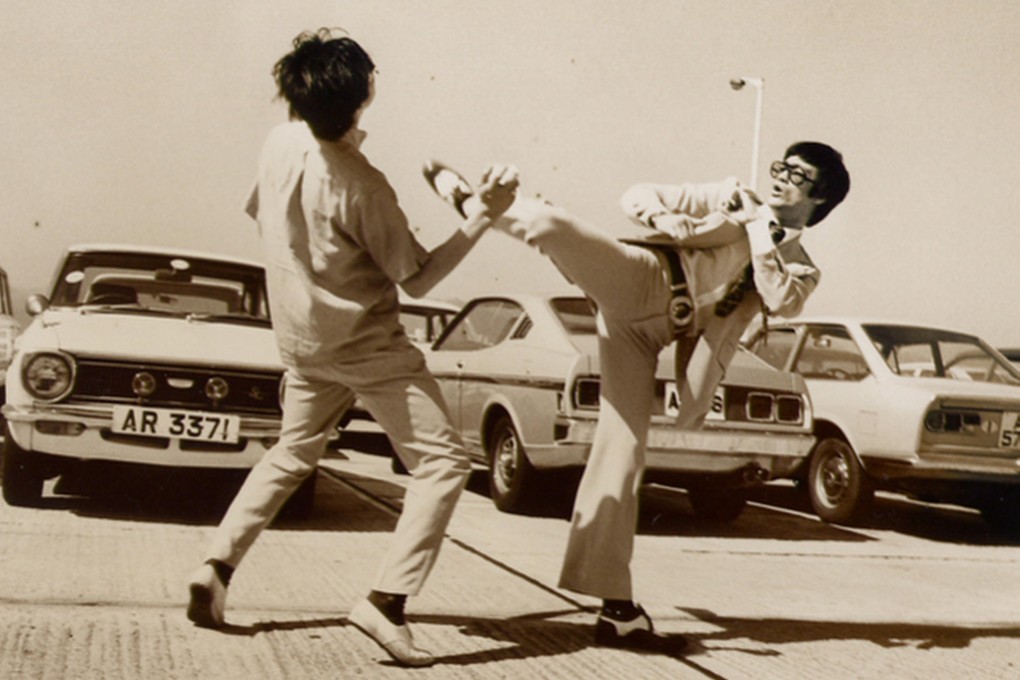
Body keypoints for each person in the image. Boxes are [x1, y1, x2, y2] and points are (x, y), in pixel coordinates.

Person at [424, 142, 850, 655]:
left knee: (620, 459)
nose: (779, 177)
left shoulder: (801, 267)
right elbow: (636, 195)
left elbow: (779, 297)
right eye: (779, 167)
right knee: (552, 225)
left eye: (796, 175)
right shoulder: (730, 193)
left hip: (651, 337)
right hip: (640, 279)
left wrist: (758, 229)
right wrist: (668, 219)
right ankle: (477, 207)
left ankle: (617, 610)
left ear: (819, 197)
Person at [186, 28, 519, 669]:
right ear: (364, 95)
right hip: (367, 346)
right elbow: (418, 277)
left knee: (292, 453)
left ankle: (217, 565)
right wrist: (484, 214)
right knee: (444, 466)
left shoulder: (280, 142)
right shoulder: (364, 185)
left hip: (301, 341)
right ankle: (385, 603)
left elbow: (262, 213)